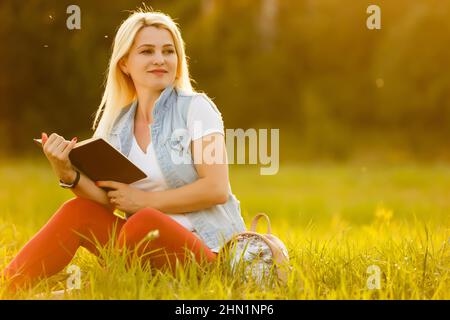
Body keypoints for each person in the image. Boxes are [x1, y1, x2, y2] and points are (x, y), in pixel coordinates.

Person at [2, 9, 247, 292]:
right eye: (147, 51)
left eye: (168, 51)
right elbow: (109, 201)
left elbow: (215, 189)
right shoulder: (118, 125)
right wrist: (67, 173)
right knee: (78, 211)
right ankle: (9, 287)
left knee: (143, 222)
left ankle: (92, 290)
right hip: (141, 246)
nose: (160, 58)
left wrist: (143, 201)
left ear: (178, 61)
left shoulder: (196, 108)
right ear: (125, 64)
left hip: (205, 254)